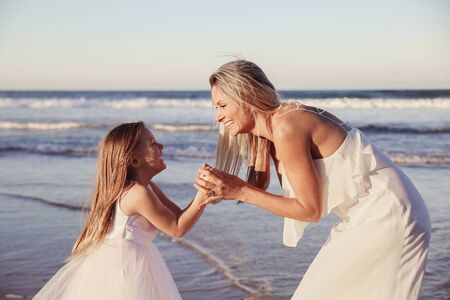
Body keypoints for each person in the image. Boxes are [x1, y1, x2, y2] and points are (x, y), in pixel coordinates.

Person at [195, 60, 431, 299]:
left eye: (222, 105)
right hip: (365, 215)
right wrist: (225, 187)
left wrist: (240, 191)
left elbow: (309, 210)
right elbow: (271, 193)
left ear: (246, 95)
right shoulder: (272, 130)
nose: (218, 116)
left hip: (389, 214)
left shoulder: (287, 126)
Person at [34, 121, 208, 300]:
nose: (162, 146)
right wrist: (204, 194)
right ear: (134, 161)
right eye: (153, 144)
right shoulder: (137, 193)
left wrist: (204, 193)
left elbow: (179, 217)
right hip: (124, 266)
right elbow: (177, 228)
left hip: (126, 258)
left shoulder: (147, 188)